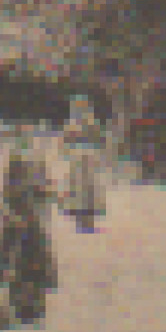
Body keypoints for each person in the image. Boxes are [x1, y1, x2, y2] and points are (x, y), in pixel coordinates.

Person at [0, 144, 58, 332]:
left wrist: (43, 195)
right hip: (15, 225)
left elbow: (48, 193)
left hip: (33, 225)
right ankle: (14, 307)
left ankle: (32, 308)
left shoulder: (40, 163)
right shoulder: (8, 172)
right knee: (14, 264)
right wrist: (11, 216)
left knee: (34, 265)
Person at [61, 94, 107, 233]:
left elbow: (101, 140)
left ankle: (89, 220)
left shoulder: (93, 123)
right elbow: (65, 141)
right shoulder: (71, 124)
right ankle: (80, 220)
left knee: (90, 189)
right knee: (78, 189)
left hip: (90, 158)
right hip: (76, 159)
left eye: (83, 106)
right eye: (77, 106)